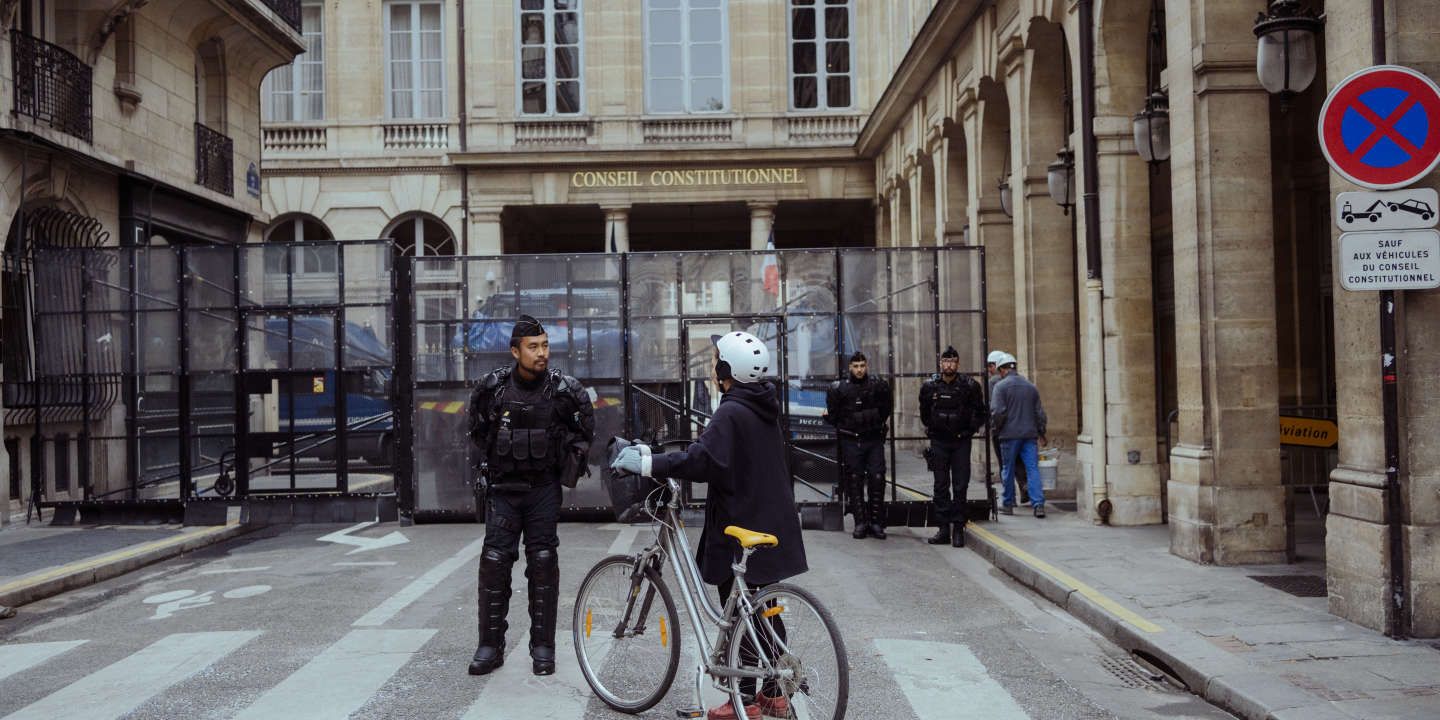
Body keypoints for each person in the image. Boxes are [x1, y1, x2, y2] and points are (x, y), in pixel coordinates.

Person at [611, 331, 807, 720]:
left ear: (724, 370)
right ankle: (773, 694)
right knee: (763, 610)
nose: (713, 365)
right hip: (773, 519)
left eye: (716, 359)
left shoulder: (732, 410)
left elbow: (703, 461)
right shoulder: (761, 404)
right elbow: (722, 451)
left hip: (741, 522)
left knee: (739, 614)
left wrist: (649, 463)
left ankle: (744, 702)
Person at [467, 315, 595, 676]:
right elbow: (478, 433)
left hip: (542, 491)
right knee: (494, 563)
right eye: (533, 347)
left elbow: (585, 430)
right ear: (514, 351)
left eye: (545, 345)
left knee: (542, 563)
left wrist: (566, 462)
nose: (542, 353)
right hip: (503, 491)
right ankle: (490, 646)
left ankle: (543, 648)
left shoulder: (565, 391)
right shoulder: (492, 389)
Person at [919, 346, 987, 547]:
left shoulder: (969, 386)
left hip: (960, 442)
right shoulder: (930, 386)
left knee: (960, 485)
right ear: (941, 364)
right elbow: (924, 412)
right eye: (945, 361)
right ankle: (943, 528)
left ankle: (958, 527)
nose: (949, 365)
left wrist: (968, 431)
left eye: (953, 361)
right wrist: (933, 428)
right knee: (940, 485)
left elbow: (980, 412)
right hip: (939, 442)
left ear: (958, 364)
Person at [824, 351, 893, 539]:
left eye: (862, 365)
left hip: (873, 439)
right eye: (856, 366)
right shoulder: (838, 388)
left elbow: (886, 409)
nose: (859, 369)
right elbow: (834, 415)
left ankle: (877, 523)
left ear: (867, 366)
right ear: (850, 367)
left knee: (877, 478)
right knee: (854, 480)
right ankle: (860, 523)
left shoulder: (878, 386)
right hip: (851, 440)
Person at [990, 353, 1048, 518]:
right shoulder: (1031, 386)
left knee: (1008, 469)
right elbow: (1040, 414)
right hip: (1029, 435)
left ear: (1002, 369)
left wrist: (997, 429)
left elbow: (997, 412)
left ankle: (1008, 503)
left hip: (1009, 435)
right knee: (1032, 469)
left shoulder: (1000, 387)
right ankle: (1038, 505)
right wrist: (1042, 432)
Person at [986, 349, 1028, 505]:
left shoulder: (993, 382)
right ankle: (1024, 487)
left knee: (1005, 464)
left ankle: (1009, 499)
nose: (989, 370)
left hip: (1002, 429)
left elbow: (994, 407)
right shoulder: (1020, 379)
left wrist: (994, 427)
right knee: (1018, 461)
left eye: (990, 366)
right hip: (1019, 427)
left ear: (996, 365)